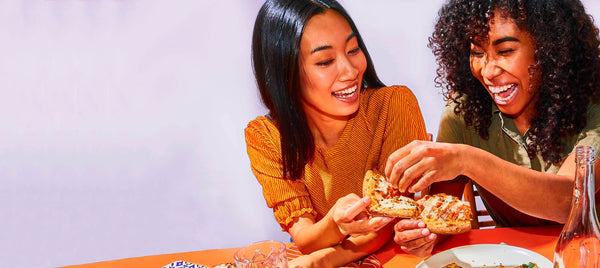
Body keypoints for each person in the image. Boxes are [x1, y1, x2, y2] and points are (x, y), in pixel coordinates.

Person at [386, 0, 600, 258]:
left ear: (550, 48)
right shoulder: (464, 112)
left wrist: (467, 159)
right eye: (477, 53)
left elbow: (569, 201)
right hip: (513, 259)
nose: (487, 71)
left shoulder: (593, 105)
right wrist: (424, 233)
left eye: (506, 50)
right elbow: (442, 212)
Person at [245, 0, 428, 266]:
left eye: (353, 50)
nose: (350, 71)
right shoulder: (267, 137)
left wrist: (321, 261)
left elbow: (386, 222)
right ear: (285, 73)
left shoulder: (394, 105)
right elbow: (305, 238)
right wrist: (334, 223)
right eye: (325, 60)